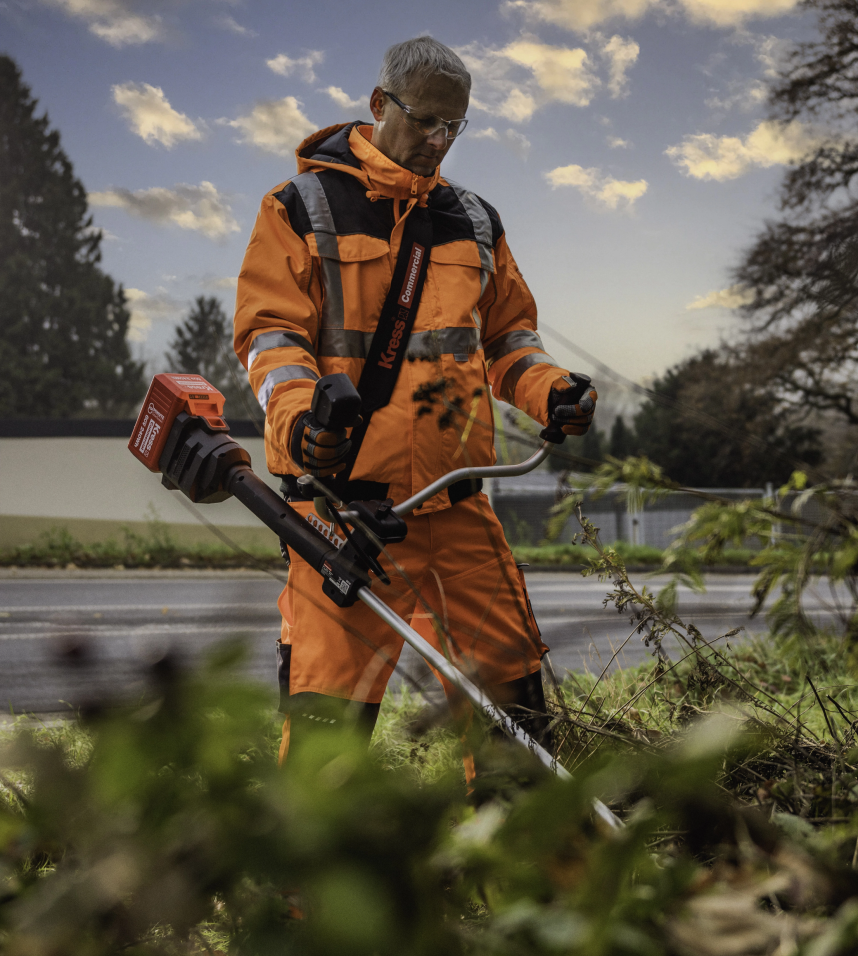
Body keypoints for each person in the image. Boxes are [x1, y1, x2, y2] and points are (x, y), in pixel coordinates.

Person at [233, 36, 598, 772]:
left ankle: (528, 880)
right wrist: (302, 422)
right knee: (325, 740)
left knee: (516, 726)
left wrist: (551, 391)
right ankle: (309, 890)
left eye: (453, 127)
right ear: (379, 105)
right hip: (341, 515)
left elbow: (509, 341)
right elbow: (269, 339)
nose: (439, 141)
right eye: (426, 120)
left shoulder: (475, 221)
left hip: (458, 512)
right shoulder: (300, 208)